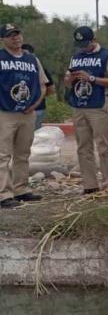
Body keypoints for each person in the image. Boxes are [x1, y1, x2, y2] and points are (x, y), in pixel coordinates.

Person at [64, 26, 108, 194]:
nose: (82, 47)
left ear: (93, 40)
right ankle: (90, 185)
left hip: (98, 105)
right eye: (79, 44)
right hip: (78, 106)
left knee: (103, 145)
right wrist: (69, 78)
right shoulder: (76, 57)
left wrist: (91, 78)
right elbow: (67, 81)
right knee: (83, 147)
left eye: (85, 43)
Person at [0, 24, 48, 209]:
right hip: (5, 112)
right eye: (10, 35)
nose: (15, 38)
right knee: (3, 155)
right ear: (3, 39)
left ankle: (21, 189)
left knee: (23, 153)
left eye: (17, 34)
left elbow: (43, 84)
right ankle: (4, 194)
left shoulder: (32, 59)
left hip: (27, 113)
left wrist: (35, 104)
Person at [21, 44, 54, 131]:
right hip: (37, 107)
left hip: (34, 108)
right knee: (35, 136)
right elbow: (51, 89)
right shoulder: (40, 67)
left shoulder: (38, 66)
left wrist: (38, 97)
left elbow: (51, 89)